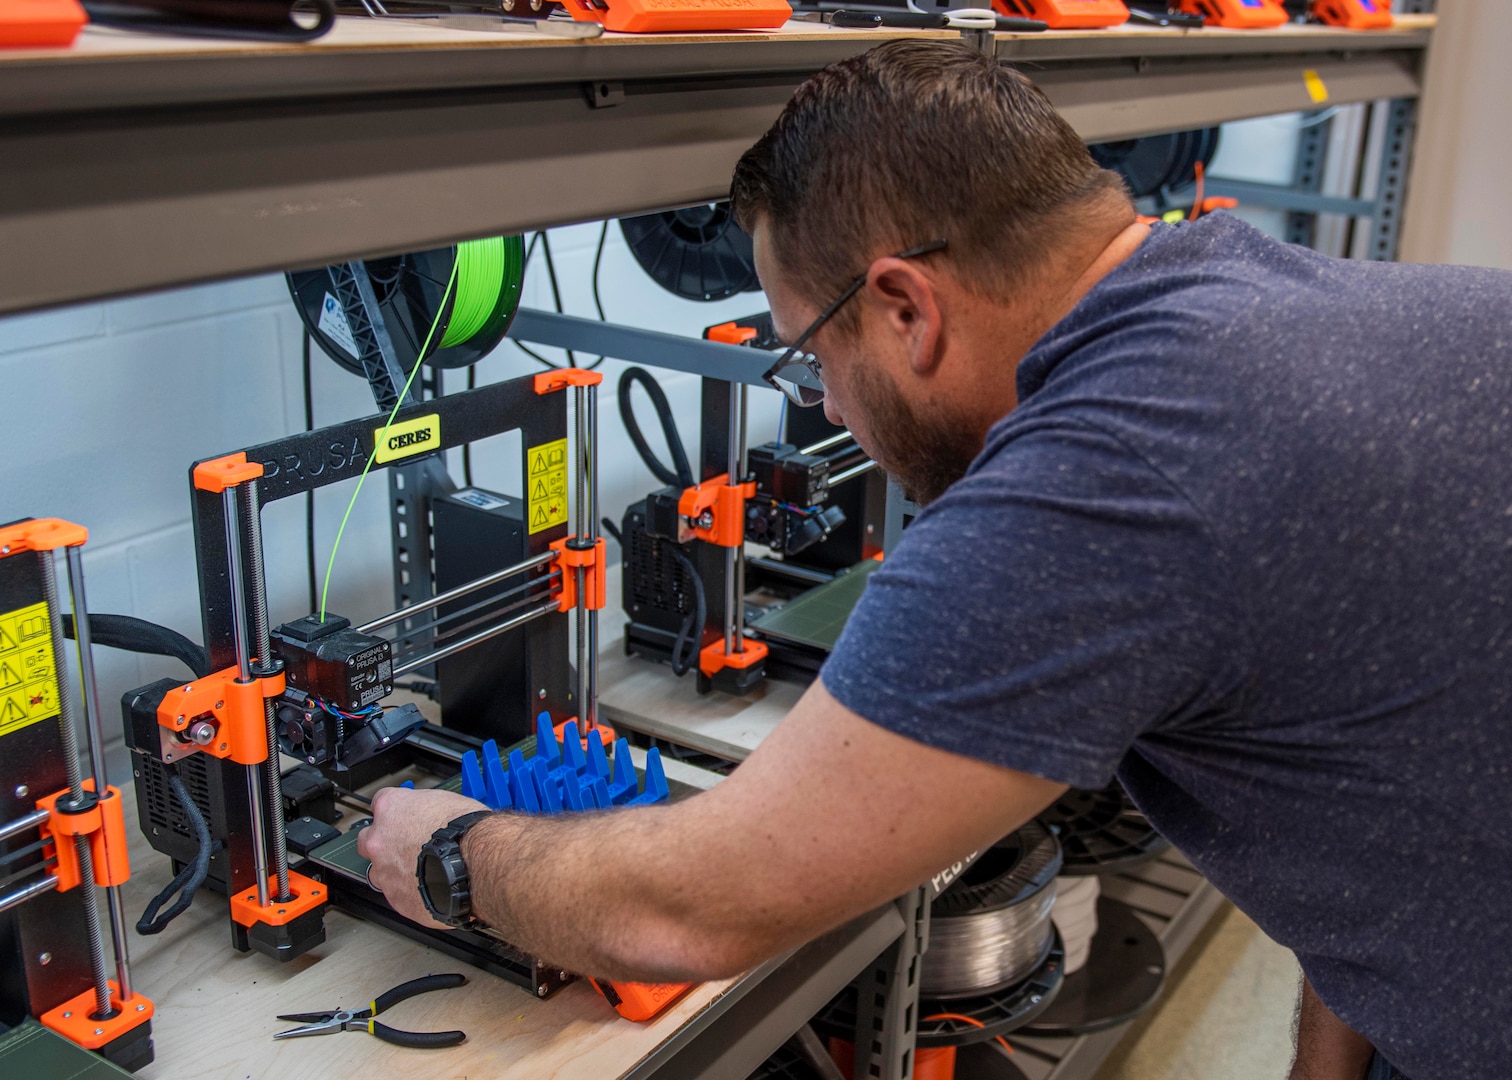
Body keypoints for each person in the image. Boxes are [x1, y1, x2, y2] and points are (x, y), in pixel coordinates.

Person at [358, 40, 1512, 1080]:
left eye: (810, 355)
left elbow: (702, 906)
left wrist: (458, 853)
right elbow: (1375, 799)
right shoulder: (1424, 313)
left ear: (905, 308)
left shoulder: (1107, 471)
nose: (822, 403)